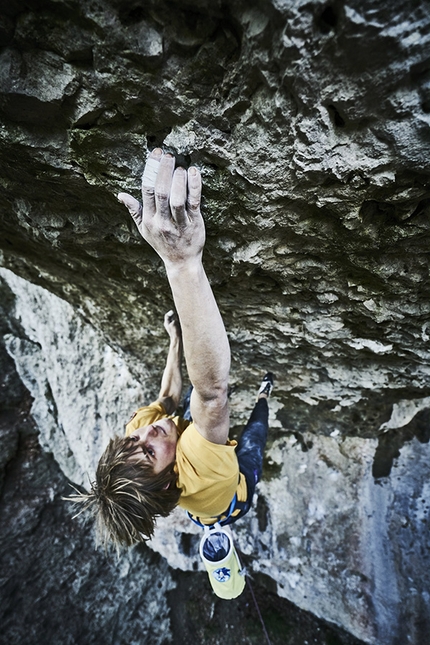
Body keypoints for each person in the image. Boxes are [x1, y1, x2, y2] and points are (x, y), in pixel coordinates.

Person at [72, 149, 273, 548]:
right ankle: (267, 393)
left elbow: (168, 397)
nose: (147, 432)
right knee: (254, 435)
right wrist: (182, 262)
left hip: (203, 493)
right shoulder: (198, 471)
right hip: (233, 488)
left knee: (177, 414)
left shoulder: (139, 434)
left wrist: (175, 340)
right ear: (169, 479)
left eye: (134, 441)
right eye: (148, 452)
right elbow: (212, 394)